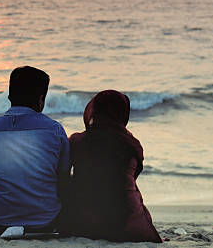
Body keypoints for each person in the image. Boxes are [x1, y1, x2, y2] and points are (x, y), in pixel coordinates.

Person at [0, 66, 70, 236]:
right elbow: (62, 177)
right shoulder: (54, 130)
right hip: (47, 223)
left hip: (1, 224)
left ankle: (4, 222)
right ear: (41, 99)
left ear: (10, 96)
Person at [62, 90, 161, 243]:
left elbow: (63, 177)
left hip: (82, 222)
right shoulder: (132, 145)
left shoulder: (77, 141)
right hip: (127, 224)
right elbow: (128, 179)